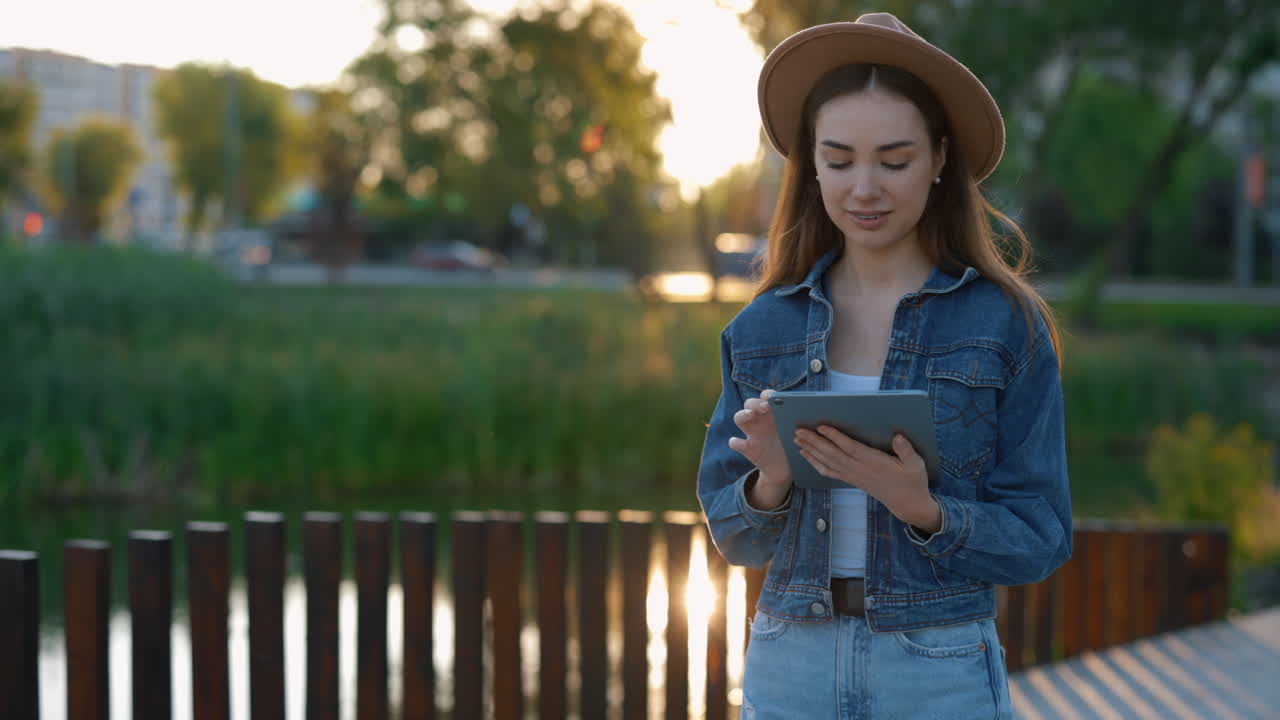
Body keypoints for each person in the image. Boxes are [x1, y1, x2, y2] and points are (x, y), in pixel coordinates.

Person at [696, 12, 1071, 719]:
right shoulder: (762, 327)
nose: (863, 187)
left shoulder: (1003, 324)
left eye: (893, 161)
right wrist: (771, 481)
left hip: (939, 664)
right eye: (838, 160)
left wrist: (923, 509)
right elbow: (735, 538)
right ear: (811, 165)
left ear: (938, 159)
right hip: (790, 659)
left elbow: (1040, 537)